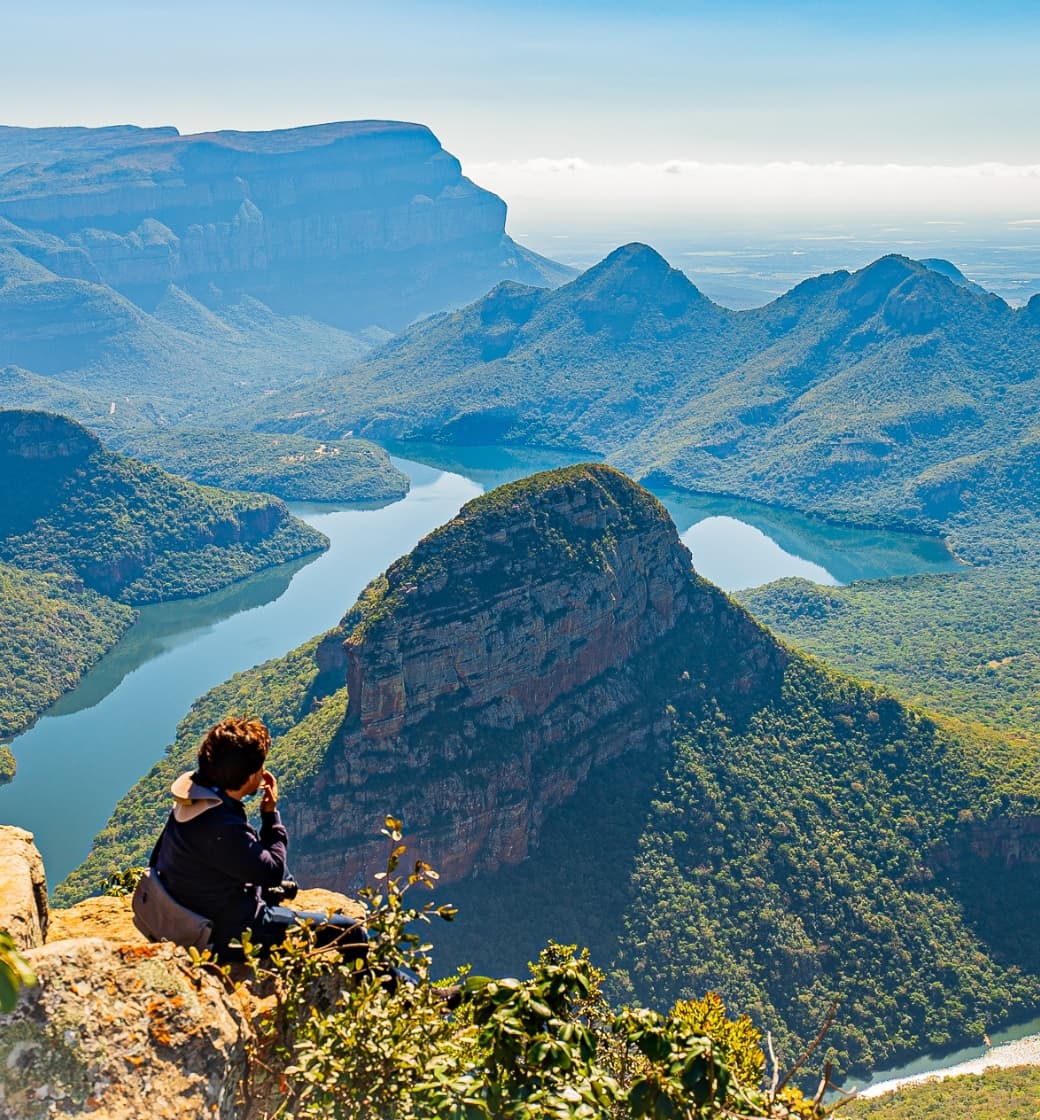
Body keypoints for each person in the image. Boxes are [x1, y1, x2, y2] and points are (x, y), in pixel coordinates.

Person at [153, 716, 368, 963]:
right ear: (250, 776)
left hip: (188, 907)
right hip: (221, 932)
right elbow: (272, 871)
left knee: (285, 884)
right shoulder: (222, 826)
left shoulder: (194, 799)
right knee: (351, 932)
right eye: (260, 767)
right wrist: (270, 815)